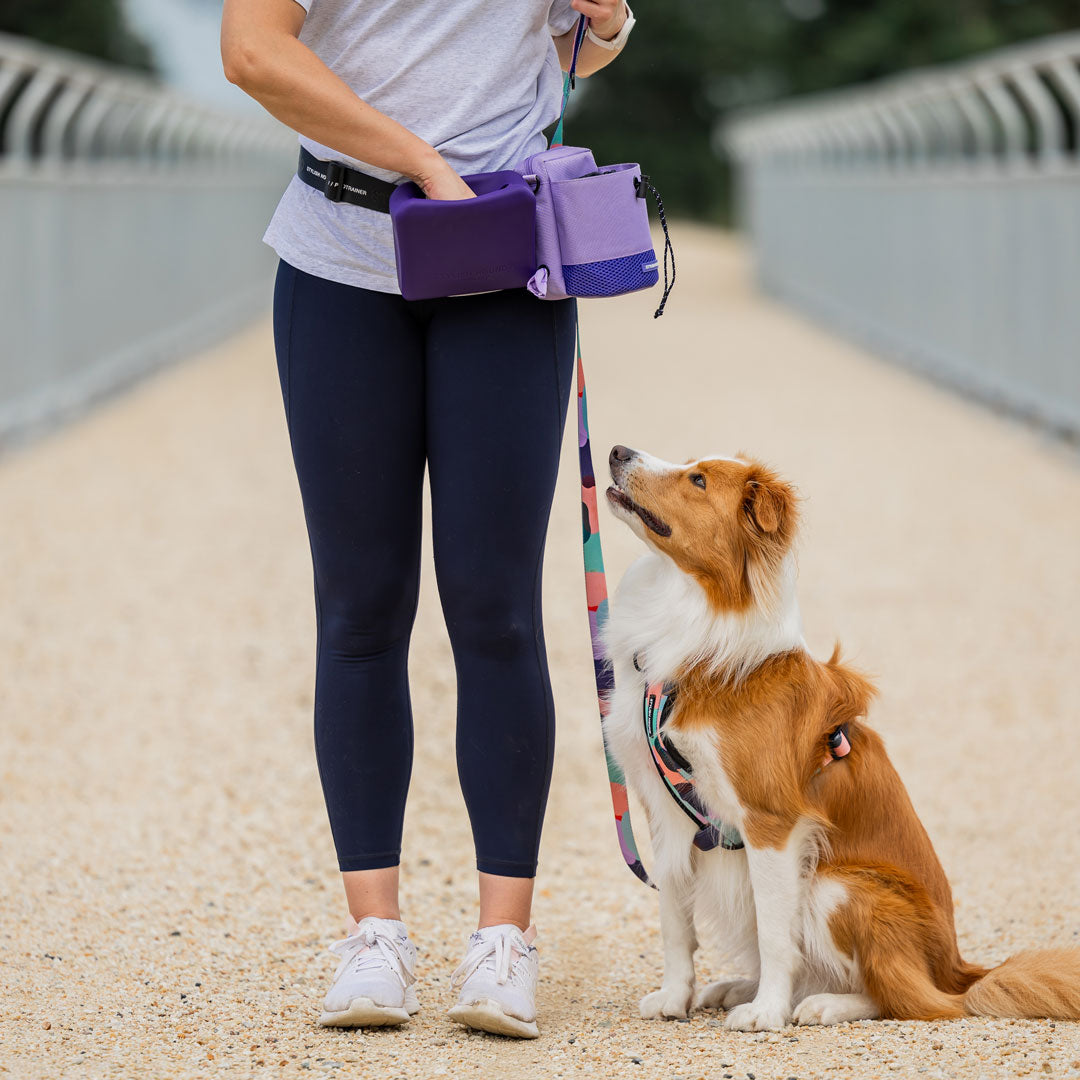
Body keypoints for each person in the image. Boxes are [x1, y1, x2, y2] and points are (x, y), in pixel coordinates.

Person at [220, 0, 636, 1039]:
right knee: (359, 610)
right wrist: (421, 161)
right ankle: (375, 938)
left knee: (495, 608)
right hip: (339, 261)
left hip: (500, 255)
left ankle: (504, 946)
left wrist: (612, 17)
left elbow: (577, 41)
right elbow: (249, 52)